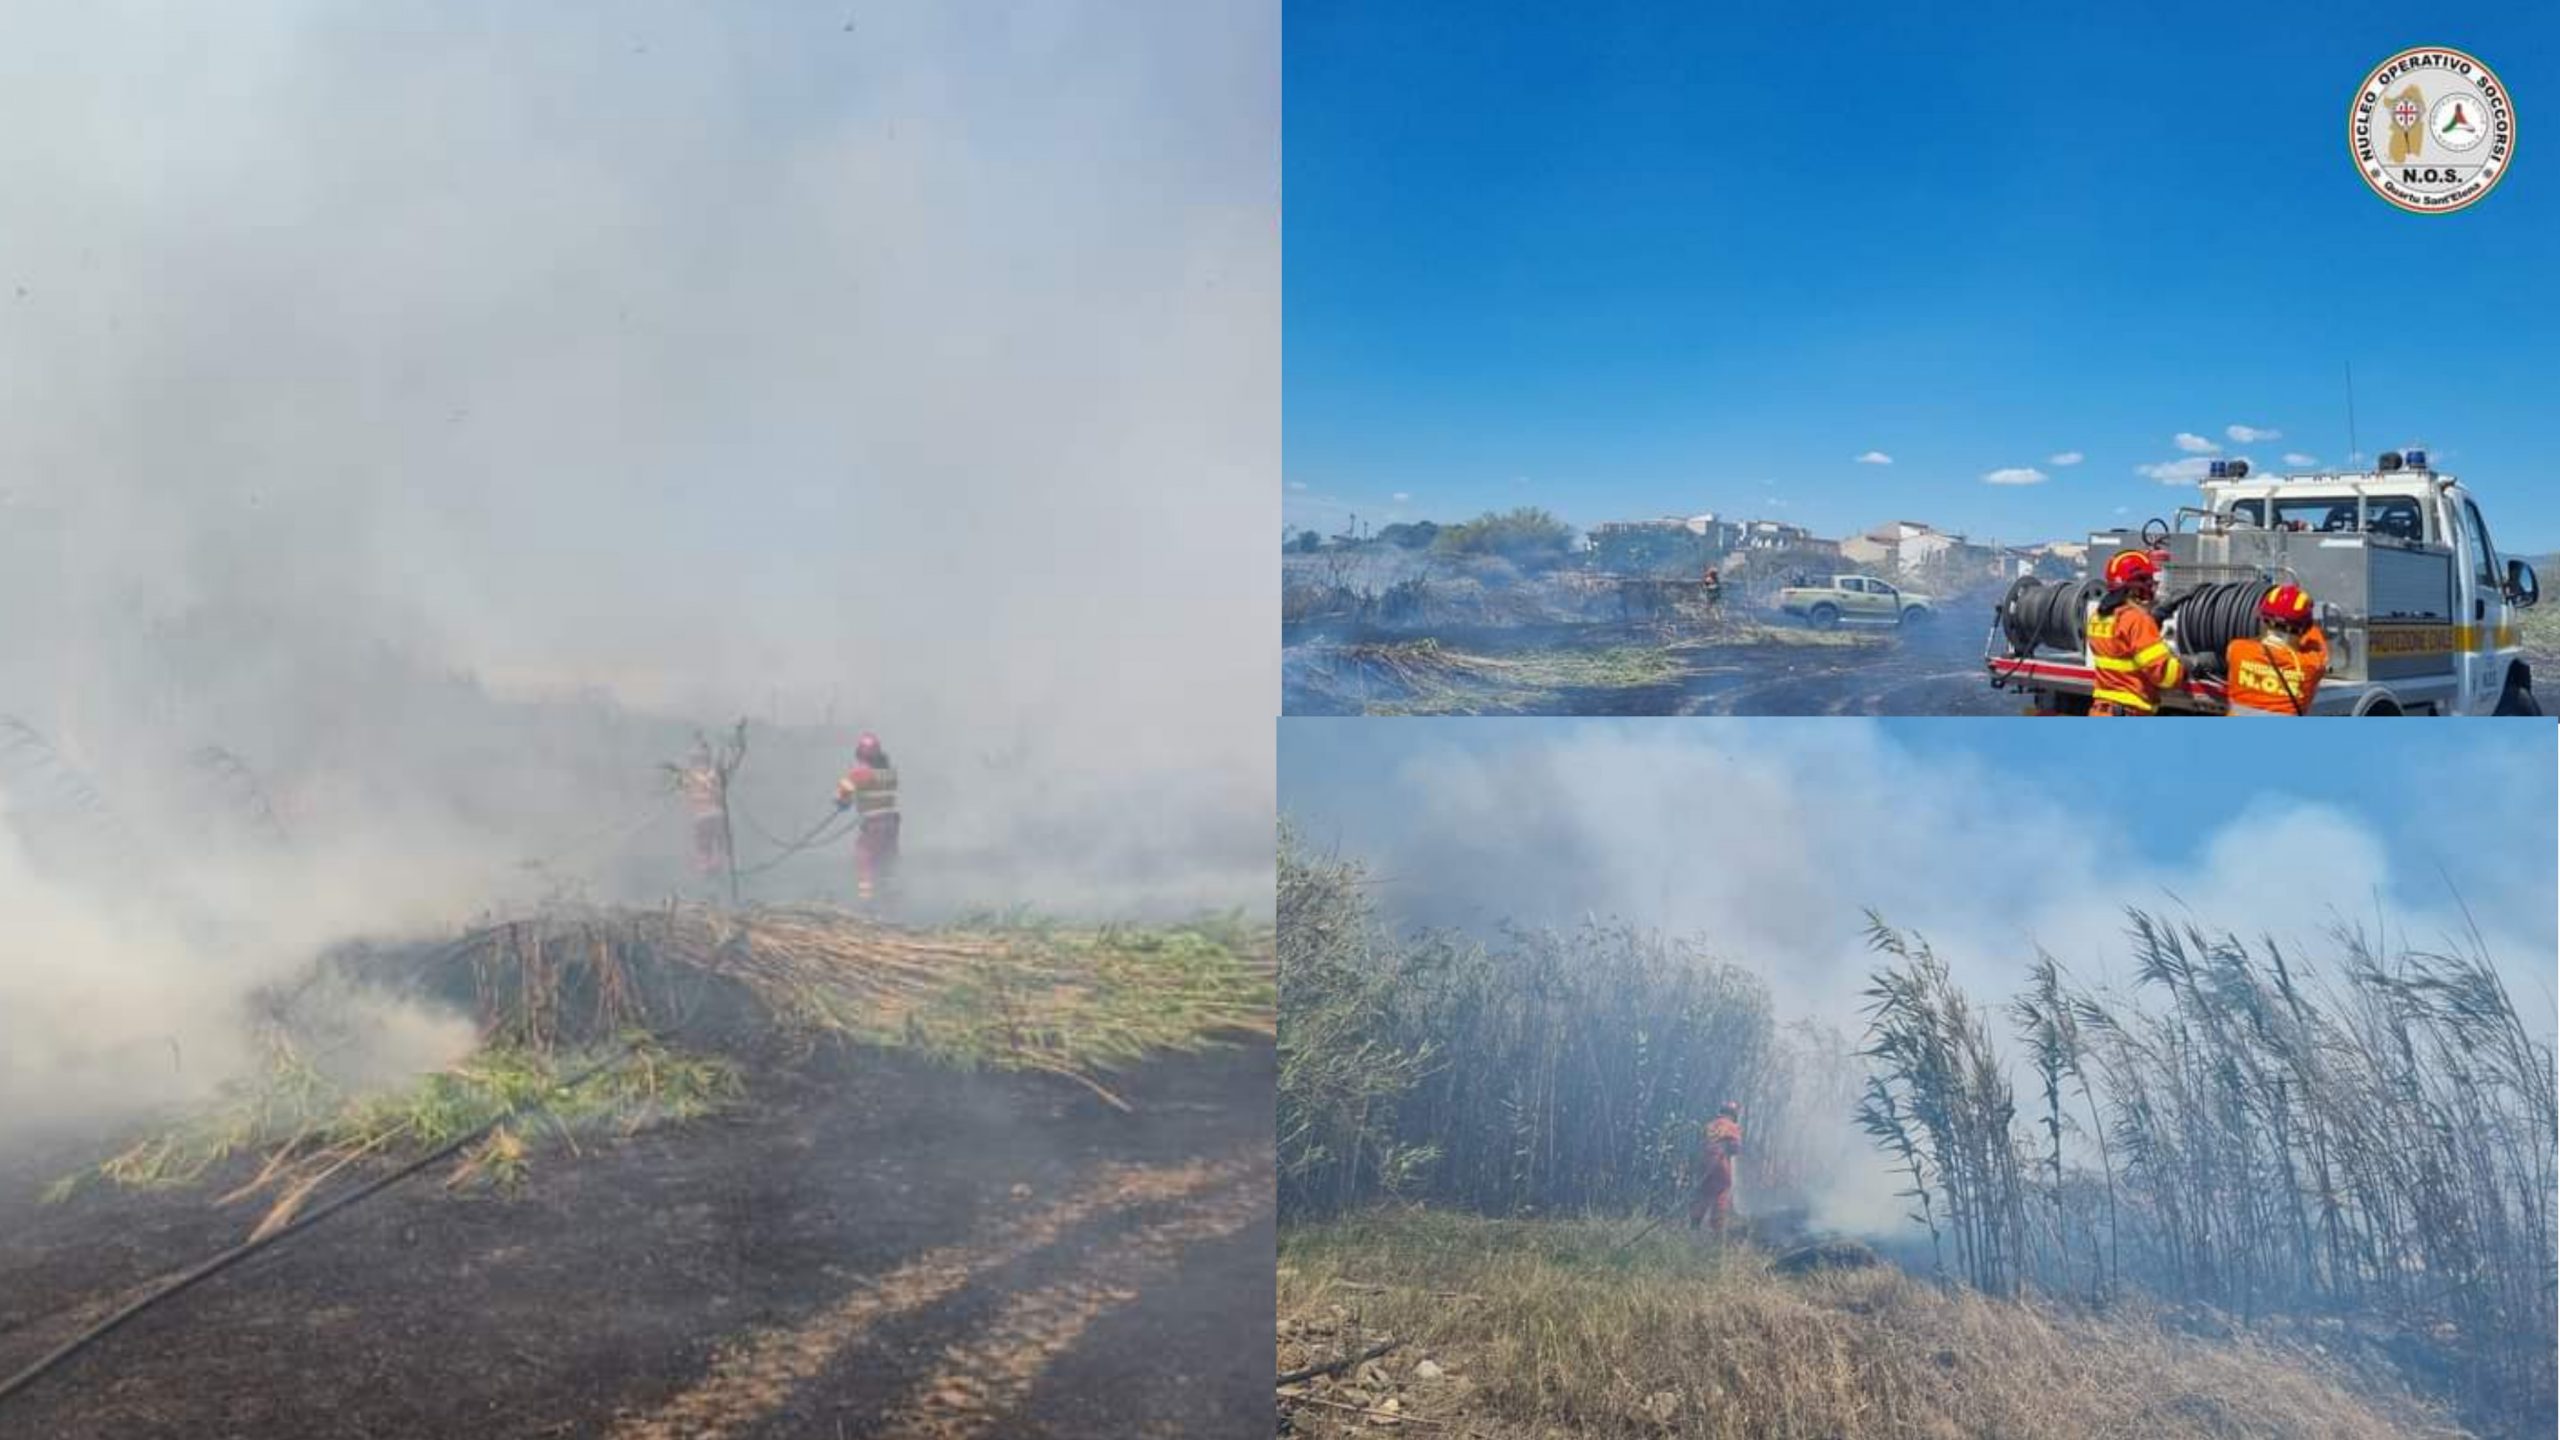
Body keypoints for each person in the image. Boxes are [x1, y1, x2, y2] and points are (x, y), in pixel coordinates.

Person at [2085, 550, 2213, 715]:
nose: (2151, 584)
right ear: (2134, 583)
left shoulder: (2097, 617)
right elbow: (2165, 676)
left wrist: (2156, 617)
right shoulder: (2137, 620)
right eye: (2146, 579)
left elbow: (2124, 644)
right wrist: (2192, 663)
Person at [2223, 583, 2329, 716]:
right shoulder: (2308, 666)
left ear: (2264, 621)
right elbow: (2318, 645)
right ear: (2302, 629)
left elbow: (2253, 643)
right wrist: (2308, 620)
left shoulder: (2236, 650)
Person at [833, 731, 900, 907]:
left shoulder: (861, 773)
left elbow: (843, 789)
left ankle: (867, 903)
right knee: (887, 863)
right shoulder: (889, 773)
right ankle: (889, 901)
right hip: (891, 826)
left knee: (864, 861)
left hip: (873, 827)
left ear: (861, 754)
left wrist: (842, 800)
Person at [674, 739, 730, 882]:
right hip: (717, 816)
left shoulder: (689, 776)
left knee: (704, 847)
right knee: (719, 844)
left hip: (701, 817)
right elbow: (721, 790)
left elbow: (682, 795)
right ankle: (716, 868)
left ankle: (707, 871)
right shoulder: (714, 773)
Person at [1688, 1101, 1744, 1237]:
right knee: (1721, 1194)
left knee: (1703, 1193)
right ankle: (1716, 1230)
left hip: (1705, 1164)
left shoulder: (1710, 1125)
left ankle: (1694, 1225)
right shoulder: (1732, 1127)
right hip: (1720, 1164)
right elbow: (1735, 1148)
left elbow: (1700, 1145)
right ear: (1734, 1114)